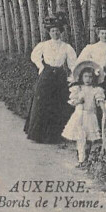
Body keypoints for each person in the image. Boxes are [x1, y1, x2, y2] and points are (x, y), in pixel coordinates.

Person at [25, 16, 78, 144]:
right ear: (49, 32)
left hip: (59, 76)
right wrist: (41, 66)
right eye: (53, 31)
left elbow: (73, 64)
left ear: (61, 32)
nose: (55, 33)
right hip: (47, 75)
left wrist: (73, 77)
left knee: (59, 104)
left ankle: (55, 135)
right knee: (42, 102)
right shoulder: (44, 45)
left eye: (57, 31)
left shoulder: (66, 47)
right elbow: (34, 56)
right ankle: (38, 135)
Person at [62, 62, 105, 167]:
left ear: (94, 78)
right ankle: (81, 159)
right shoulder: (78, 88)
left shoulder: (96, 90)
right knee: (80, 137)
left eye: (90, 77)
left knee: (89, 139)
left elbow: (100, 102)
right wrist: (78, 101)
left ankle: (87, 158)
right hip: (79, 116)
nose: (88, 79)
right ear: (81, 77)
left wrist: (105, 112)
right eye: (85, 76)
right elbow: (73, 102)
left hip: (90, 116)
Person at [76, 12, 106, 93]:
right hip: (93, 77)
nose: (104, 36)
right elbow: (81, 62)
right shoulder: (91, 48)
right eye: (102, 33)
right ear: (98, 35)